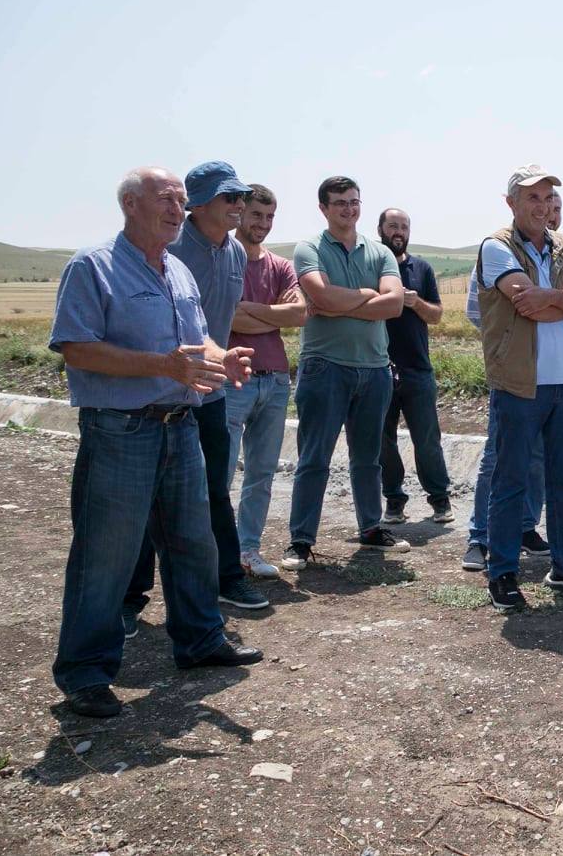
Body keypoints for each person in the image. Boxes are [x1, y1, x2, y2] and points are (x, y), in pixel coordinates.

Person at [49, 167, 263, 718]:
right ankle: (85, 673)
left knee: (194, 541)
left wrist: (222, 357)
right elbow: (76, 348)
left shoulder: (178, 270)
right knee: (107, 555)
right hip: (120, 431)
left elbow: (197, 340)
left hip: (181, 425)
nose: (176, 209)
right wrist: (163, 366)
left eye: (181, 200)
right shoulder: (92, 266)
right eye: (165, 198)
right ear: (130, 204)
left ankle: (200, 640)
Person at [124, 161, 270, 621]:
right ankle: (130, 599)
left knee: (214, 489)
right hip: (163, 392)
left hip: (212, 391)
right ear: (200, 204)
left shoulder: (234, 253)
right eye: (230, 198)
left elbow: (214, 323)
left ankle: (227, 578)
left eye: (241, 197)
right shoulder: (171, 247)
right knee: (150, 497)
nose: (239, 205)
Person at [471, 167, 563, 611]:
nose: (543, 205)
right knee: (511, 481)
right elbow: (526, 305)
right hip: (519, 383)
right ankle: (502, 573)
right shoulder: (496, 247)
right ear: (511, 202)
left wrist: (553, 298)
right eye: (533, 197)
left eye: (548, 197)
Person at [282, 176, 409, 570]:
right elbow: (319, 294)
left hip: (374, 368)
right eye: (339, 203)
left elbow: (394, 305)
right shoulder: (309, 248)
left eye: (354, 202)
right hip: (325, 367)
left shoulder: (380, 252)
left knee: (368, 458)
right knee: (314, 458)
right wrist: (368, 296)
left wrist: (340, 302)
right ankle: (300, 540)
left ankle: (371, 528)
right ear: (324, 208)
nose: (348, 209)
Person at [460, 191, 561, 571]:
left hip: (554, 375)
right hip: (514, 374)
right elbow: (477, 312)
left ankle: (525, 527)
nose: (550, 212)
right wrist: (509, 338)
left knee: (537, 456)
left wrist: (555, 307)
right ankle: (480, 537)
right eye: (542, 204)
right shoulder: (500, 251)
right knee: (498, 457)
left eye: (556, 207)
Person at [225, 184, 307, 578]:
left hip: (274, 379)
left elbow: (300, 314)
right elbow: (225, 316)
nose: (263, 223)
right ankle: (216, 554)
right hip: (232, 378)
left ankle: (248, 550)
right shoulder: (222, 259)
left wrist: (250, 310)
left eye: (270, 216)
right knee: (221, 473)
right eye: (257, 214)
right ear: (240, 213)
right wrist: (274, 313)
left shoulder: (281, 265)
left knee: (261, 474)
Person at [377, 208, 454, 525]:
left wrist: (415, 302)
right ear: (380, 229)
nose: (399, 232)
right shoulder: (372, 266)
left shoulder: (421, 268)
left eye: (404, 227)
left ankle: (440, 499)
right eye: (392, 226)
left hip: (418, 369)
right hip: (378, 368)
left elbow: (436, 315)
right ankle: (394, 500)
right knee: (383, 441)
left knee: (427, 439)